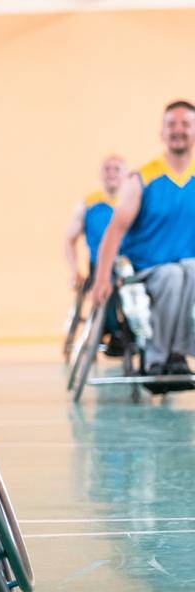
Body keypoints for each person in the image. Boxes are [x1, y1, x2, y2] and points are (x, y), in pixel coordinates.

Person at [88, 102, 195, 389]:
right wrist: (101, 279)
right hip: (146, 271)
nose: (179, 131)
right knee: (175, 275)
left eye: (186, 124)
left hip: (187, 271)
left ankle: (178, 354)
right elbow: (114, 230)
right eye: (172, 124)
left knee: (189, 271)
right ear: (162, 132)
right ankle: (155, 358)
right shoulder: (142, 179)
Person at [63, 154, 124, 352]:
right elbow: (69, 241)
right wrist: (75, 270)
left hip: (128, 264)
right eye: (107, 169)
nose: (112, 173)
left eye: (117, 169)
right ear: (101, 174)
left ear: (124, 174)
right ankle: (114, 330)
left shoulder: (131, 202)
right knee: (109, 275)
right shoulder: (88, 204)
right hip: (100, 266)